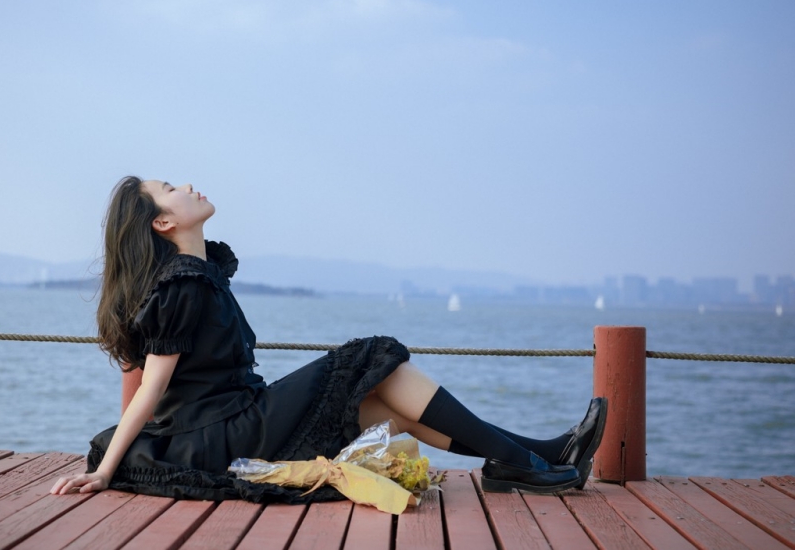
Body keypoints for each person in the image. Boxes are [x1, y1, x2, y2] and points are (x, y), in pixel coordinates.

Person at [51, 176, 607, 501]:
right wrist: (104, 472)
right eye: (171, 189)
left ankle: (535, 455)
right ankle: (522, 462)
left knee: (387, 403)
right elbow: (152, 389)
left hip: (239, 417)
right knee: (373, 358)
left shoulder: (199, 276)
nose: (188, 185)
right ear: (163, 223)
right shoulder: (181, 286)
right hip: (223, 434)